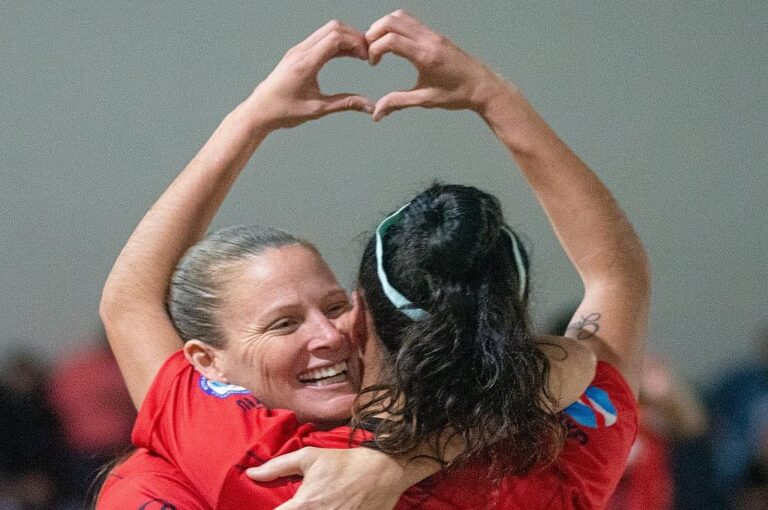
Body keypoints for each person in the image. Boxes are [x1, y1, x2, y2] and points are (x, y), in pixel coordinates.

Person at [97, 11, 649, 510]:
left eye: (334, 307)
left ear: (364, 315)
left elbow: (129, 301)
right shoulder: (560, 454)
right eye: (285, 323)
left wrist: (252, 119)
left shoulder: (275, 470)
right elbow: (615, 280)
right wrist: (492, 96)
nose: (327, 335)